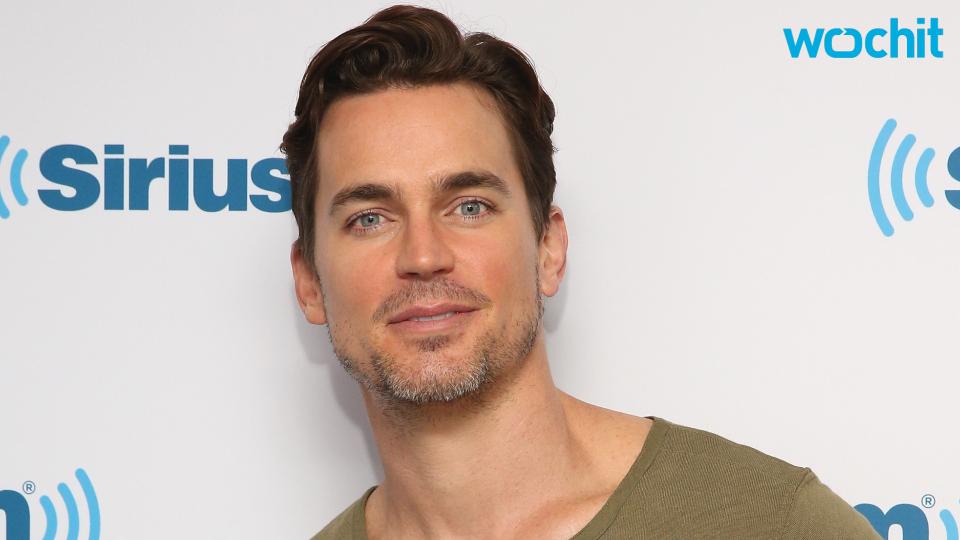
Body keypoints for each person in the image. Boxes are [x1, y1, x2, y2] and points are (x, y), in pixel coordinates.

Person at [282, 5, 880, 539]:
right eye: (369, 218)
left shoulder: (771, 525)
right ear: (309, 282)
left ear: (548, 249)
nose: (422, 255)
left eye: (469, 207)